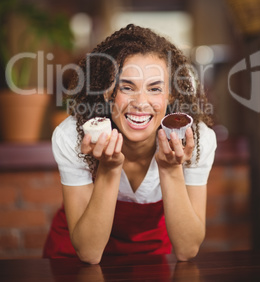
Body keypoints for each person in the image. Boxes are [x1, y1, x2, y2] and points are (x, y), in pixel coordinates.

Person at [43, 24, 217, 264]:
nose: (141, 102)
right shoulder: (73, 136)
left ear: (170, 96)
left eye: (155, 88)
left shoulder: (197, 140)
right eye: (127, 87)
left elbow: (188, 249)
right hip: (72, 261)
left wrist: (170, 169)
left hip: (152, 258)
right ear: (106, 92)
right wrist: (109, 168)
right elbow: (89, 252)